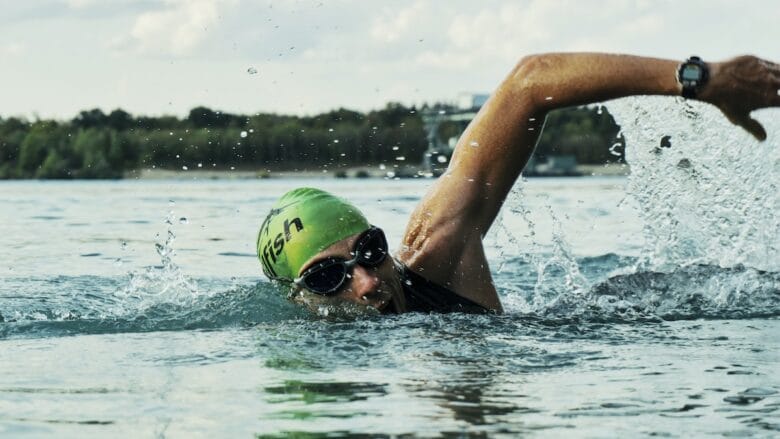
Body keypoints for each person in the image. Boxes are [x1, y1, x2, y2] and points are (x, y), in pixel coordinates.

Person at [257, 53, 780, 315]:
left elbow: (529, 82)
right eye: (328, 279)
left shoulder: (435, 253)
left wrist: (699, 80)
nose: (367, 283)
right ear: (297, 299)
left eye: (370, 251)